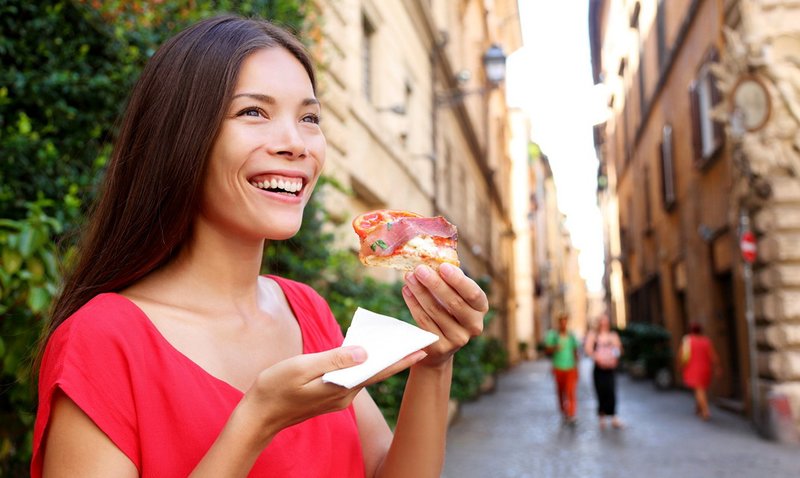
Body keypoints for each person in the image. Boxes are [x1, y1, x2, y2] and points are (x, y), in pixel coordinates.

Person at [31, 15, 489, 477]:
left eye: (309, 117)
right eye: (253, 112)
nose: (296, 143)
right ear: (181, 135)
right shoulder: (102, 340)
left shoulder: (306, 309)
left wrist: (434, 364)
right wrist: (256, 422)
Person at [584, 313, 623, 429]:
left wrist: (615, 358)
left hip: (610, 368)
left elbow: (618, 349)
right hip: (599, 369)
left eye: (605, 321)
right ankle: (602, 417)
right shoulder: (594, 335)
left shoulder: (613, 335)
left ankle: (613, 416)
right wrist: (598, 359)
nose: (603, 324)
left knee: (611, 391)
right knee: (601, 392)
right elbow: (589, 350)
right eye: (602, 321)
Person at [680, 322, 721, 421]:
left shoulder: (687, 341)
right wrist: (717, 367)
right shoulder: (706, 341)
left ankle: (705, 411)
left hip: (692, 368)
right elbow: (713, 356)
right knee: (701, 389)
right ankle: (698, 408)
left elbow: (681, 355)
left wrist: (680, 366)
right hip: (705, 368)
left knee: (699, 389)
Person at [543, 314, 580, 425]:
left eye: (565, 321)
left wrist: (577, 368)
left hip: (570, 367)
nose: (563, 324)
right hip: (558, 367)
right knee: (561, 392)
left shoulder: (571, 336)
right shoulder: (553, 336)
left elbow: (575, 352)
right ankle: (564, 412)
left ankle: (571, 413)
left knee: (570, 391)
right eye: (561, 321)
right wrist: (555, 347)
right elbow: (547, 351)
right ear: (559, 323)